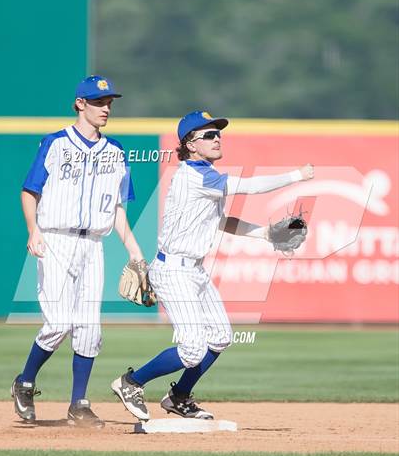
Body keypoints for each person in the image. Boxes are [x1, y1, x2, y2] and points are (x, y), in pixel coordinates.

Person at [111, 110, 314, 421]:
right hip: (174, 270)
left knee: (220, 336)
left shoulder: (205, 178)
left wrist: (265, 234)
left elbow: (221, 221)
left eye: (218, 133)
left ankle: (179, 396)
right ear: (190, 144)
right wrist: (296, 176)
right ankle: (131, 382)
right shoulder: (196, 175)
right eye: (209, 135)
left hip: (194, 270)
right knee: (191, 349)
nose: (217, 138)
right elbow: (253, 186)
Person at [11, 75, 144, 428]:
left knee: (89, 329)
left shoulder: (116, 152)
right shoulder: (55, 144)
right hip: (55, 239)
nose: (106, 108)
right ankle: (24, 382)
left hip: (93, 245)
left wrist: (134, 251)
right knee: (59, 323)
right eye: (98, 102)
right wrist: (33, 230)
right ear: (80, 104)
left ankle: (78, 404)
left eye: (109, 102)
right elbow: (29, 192)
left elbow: (117, 210)